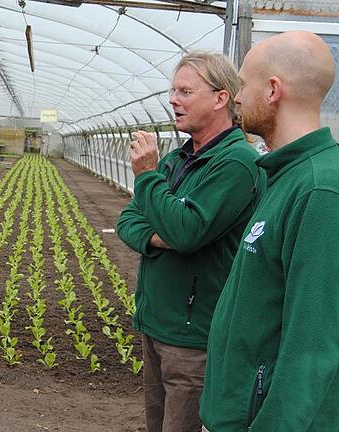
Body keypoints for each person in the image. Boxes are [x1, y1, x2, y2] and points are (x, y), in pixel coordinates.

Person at [116, 52, 265, 432]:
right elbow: (128, 220)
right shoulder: (176, 159)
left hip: (192, 336)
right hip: (156, 324)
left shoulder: (236, 163)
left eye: (185, 91)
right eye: (172, 90)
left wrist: (148, 177)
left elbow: (186, 232)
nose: (173, 99)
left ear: (220, 98)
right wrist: (160, 234)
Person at [200, 31, 339, 432]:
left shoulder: (320, 190)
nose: (236, 96)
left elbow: (313, 349)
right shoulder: (286, 176)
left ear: (274, 90)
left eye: (242, 84)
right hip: (236, 416)